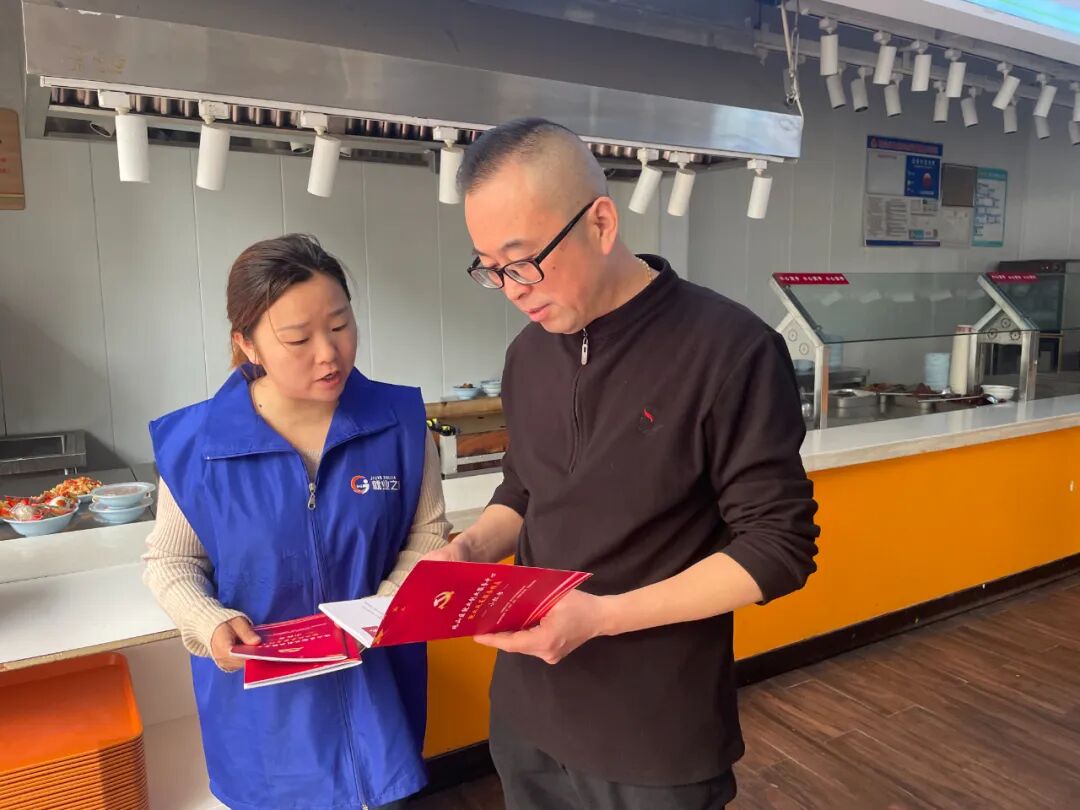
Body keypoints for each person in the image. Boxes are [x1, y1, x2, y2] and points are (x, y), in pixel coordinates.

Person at [427, 119, 820, 809]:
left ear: (601, 224)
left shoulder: (729, 350)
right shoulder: (527, 354)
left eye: (523, 260)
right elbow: (525, 486)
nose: (512, 288)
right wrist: (473, 547)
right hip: (527, 716)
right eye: (490, 268)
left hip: (653, 735)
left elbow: (778, 547)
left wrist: (601, 617)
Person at [143, 234, 450, 810]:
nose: (329, 353)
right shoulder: (197, 446)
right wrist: (210, 622)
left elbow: (427, 535)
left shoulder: (400, 423)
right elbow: (171, 561)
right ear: (247, 343)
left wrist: (380, 610)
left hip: (378, 699)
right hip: (265, 721)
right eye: (298, 339)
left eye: (340, 325)